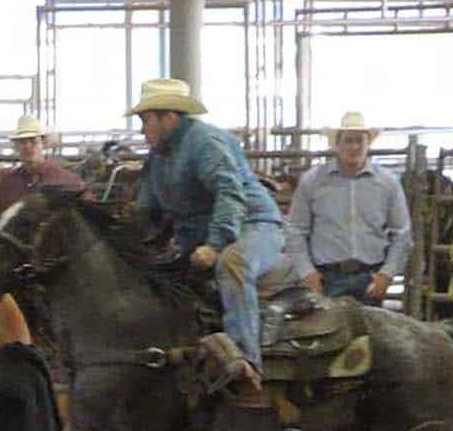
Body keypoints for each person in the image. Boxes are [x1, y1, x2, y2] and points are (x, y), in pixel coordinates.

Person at [128, 78, 284, 402]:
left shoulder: (205, 143)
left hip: (255, 225)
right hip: (199, 239)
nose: (143, 129)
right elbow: (147, 211)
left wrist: (216, 245)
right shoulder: (158, 159)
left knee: (233, 264)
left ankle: (245, 363)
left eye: (146, 119)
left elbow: (230, 195)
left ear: (169, 117)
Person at [286, 111, 413, 306]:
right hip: (326, 278)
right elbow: (295, 229)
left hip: (369, 278)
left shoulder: (387, 183)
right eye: (348, 141)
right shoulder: (313, 181)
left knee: (368, 334)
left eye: (359, 141)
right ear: (337, 145)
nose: (354, 147)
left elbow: (402, 233)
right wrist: (307, 273)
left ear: (368, 144)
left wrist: (386, 275)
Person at [0, 115, 85, 249]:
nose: (27, 146)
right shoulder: (3, 186)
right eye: (22, 142)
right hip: (13, 261)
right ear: (16, 147)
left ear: (43, 143)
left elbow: (86, 226)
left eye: (32, 140)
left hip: (54, 261)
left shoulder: (69, 182)